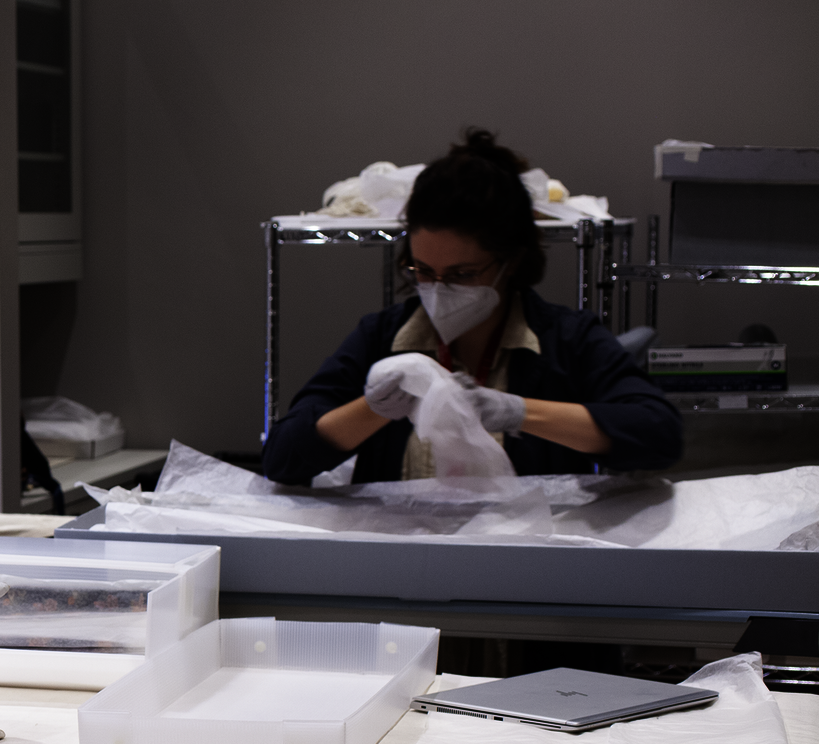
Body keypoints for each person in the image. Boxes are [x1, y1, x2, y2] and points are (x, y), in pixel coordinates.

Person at [262, 129, 683, 485]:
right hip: (400, 561)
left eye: (463, 274)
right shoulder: (382, 337)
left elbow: (659, 434)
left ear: (511, 261)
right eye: (423, 270)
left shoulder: (567, 340)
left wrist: (517, 411)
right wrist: (371, 410)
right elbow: (282, 458)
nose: (439, 289)